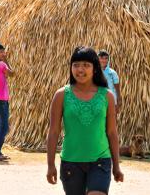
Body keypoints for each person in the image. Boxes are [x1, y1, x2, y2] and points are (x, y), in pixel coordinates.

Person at [46, 46, 124, 195]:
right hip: (71, 162)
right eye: (76, 65)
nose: (80, 69)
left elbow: (112, 132)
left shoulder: (107, 95)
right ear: (71, 67)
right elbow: (53, 131)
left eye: (86, 65)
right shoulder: (61, 95)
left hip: (101, 161)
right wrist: (50, 165)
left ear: (95, 69)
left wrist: (116, 166)